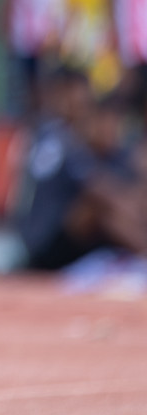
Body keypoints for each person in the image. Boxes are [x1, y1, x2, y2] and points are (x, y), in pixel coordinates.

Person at [15, 70, 145, 270]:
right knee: (98, 208)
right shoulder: (55, 137)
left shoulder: (67, 138)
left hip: (57, 236)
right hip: (44, 240)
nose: (80, 104)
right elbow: (97, 188)